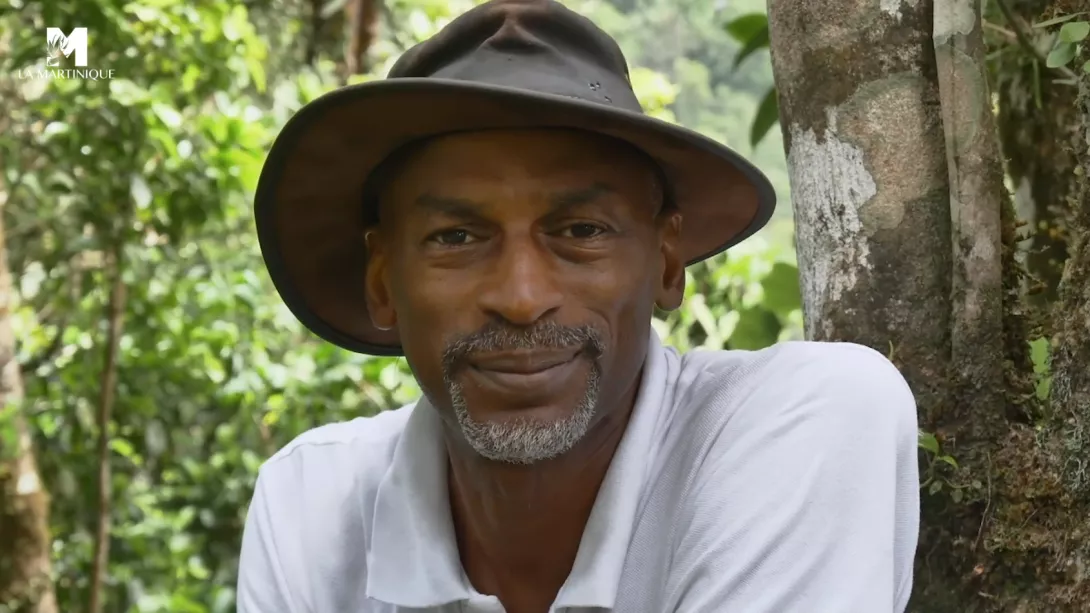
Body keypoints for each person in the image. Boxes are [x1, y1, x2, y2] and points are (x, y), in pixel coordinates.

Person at [237, 0, 920, 611]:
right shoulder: (311, 507)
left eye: (581, 232)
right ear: (383, 281)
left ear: (667, 261)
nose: (522, 297)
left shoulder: (802, 421)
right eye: (456, 237)